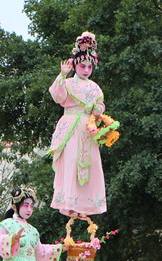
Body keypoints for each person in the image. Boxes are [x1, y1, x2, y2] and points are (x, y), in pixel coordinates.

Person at [49, 32, 107, 217]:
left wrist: (98, 110)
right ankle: (69, 201)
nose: (86, 69)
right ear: (75, 65)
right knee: (72, 161)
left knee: (90, 164)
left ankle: (87, 204)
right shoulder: (67, 83)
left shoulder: (94, 87)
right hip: (72, 126)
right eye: (82, 65)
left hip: (87, 128)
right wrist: (61, 74)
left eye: (90, 66)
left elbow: (99, 105)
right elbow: (58, 96)